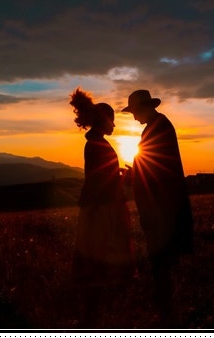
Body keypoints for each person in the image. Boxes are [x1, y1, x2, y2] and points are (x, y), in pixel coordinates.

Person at [122, 89, 194, 322]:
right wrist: (135, 172)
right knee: (162, 255)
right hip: (162, 202)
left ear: (143, 108)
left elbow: (153, 167)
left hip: (161, 205)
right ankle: (164, 302)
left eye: (134, 111)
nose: (134, 117)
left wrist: (132, 175)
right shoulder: (158, 125)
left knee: (160, 254)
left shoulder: (157, 128)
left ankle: (165, 307)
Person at [69, 87, 135, 327]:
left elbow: (101, 176)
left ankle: (96, 301)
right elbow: (102, 180)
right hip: (102, 207)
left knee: (97, 249)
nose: (114, 125)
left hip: (98, 205)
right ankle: (95, 305)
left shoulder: (96, 143)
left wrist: (119, 176)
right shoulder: (98, 145)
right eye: (112, 121)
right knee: (102, 249)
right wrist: (126, 178)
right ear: (103, 121)